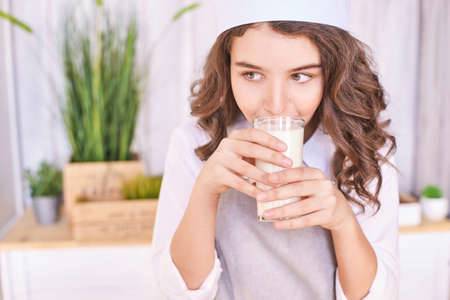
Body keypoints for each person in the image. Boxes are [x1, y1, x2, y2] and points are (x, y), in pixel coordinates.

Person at [152, 0, 400, 299]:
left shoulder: (364, 149)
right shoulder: (193, 143)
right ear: (227, 67)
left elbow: (379, 294)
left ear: (334, 72)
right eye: (251, 75)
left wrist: (342, 221)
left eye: (300, 76)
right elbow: (177, 292)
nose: (276, 104)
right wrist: (206, 191)